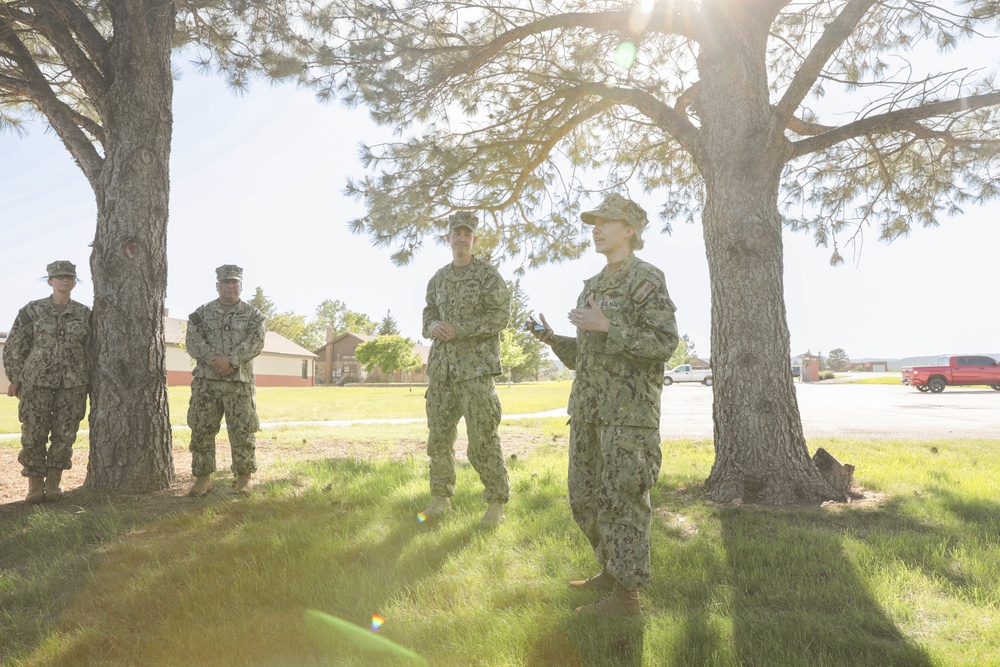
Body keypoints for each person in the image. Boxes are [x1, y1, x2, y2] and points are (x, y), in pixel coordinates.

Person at [531, 194, 679, 616]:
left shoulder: (645, 278)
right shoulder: (592, 285)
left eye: (606, 222)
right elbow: (585, 356)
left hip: (628, 417)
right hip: (589, 412)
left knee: (623, 502)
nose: (595, 228)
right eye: (593, 222)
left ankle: (626, 597)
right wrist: (552, 338)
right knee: (585, 499)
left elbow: (664, 344)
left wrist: (608, 325)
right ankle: (612, 570)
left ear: (629, 230)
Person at [421, 211, 512, 526]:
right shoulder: (438, 278)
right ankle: (440, 497)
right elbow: (427, 314)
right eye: (455, 233)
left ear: (474, 239)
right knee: (439, 438)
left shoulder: (487, 275)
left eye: (467, 233)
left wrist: (461, 329)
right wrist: (432, 324)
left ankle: (496, 503)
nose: (461, 238)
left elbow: (501, 316)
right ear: (448, 238)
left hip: (475, 372)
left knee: (483, 440)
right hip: (442, 373)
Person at [3, 261, 92, 503]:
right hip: (35, 382)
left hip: (73, 383)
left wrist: (90, 382)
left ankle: (53, 483)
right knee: (33, 433)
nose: (65, 280)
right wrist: (15, 378)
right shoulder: (31, 311)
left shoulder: (85, 314)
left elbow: (92, 350)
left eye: (69, 277)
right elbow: (13, 347)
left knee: (65, 433)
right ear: (50, 281)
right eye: (59, 277)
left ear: (74, 282)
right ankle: (34, 485)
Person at [184, 264, 267, 497]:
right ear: (217, 285)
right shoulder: (200, 314)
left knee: (242, 430)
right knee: (201, 429)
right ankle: (203, 478)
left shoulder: (254, 316)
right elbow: (193, 342)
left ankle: (243, 477)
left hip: (238, 382)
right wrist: (214, 359)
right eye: (225, 282)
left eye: (234, 282)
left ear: (240, 285)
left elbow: (256, 342)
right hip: (206, 383)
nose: (230, 286)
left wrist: (230, 360)